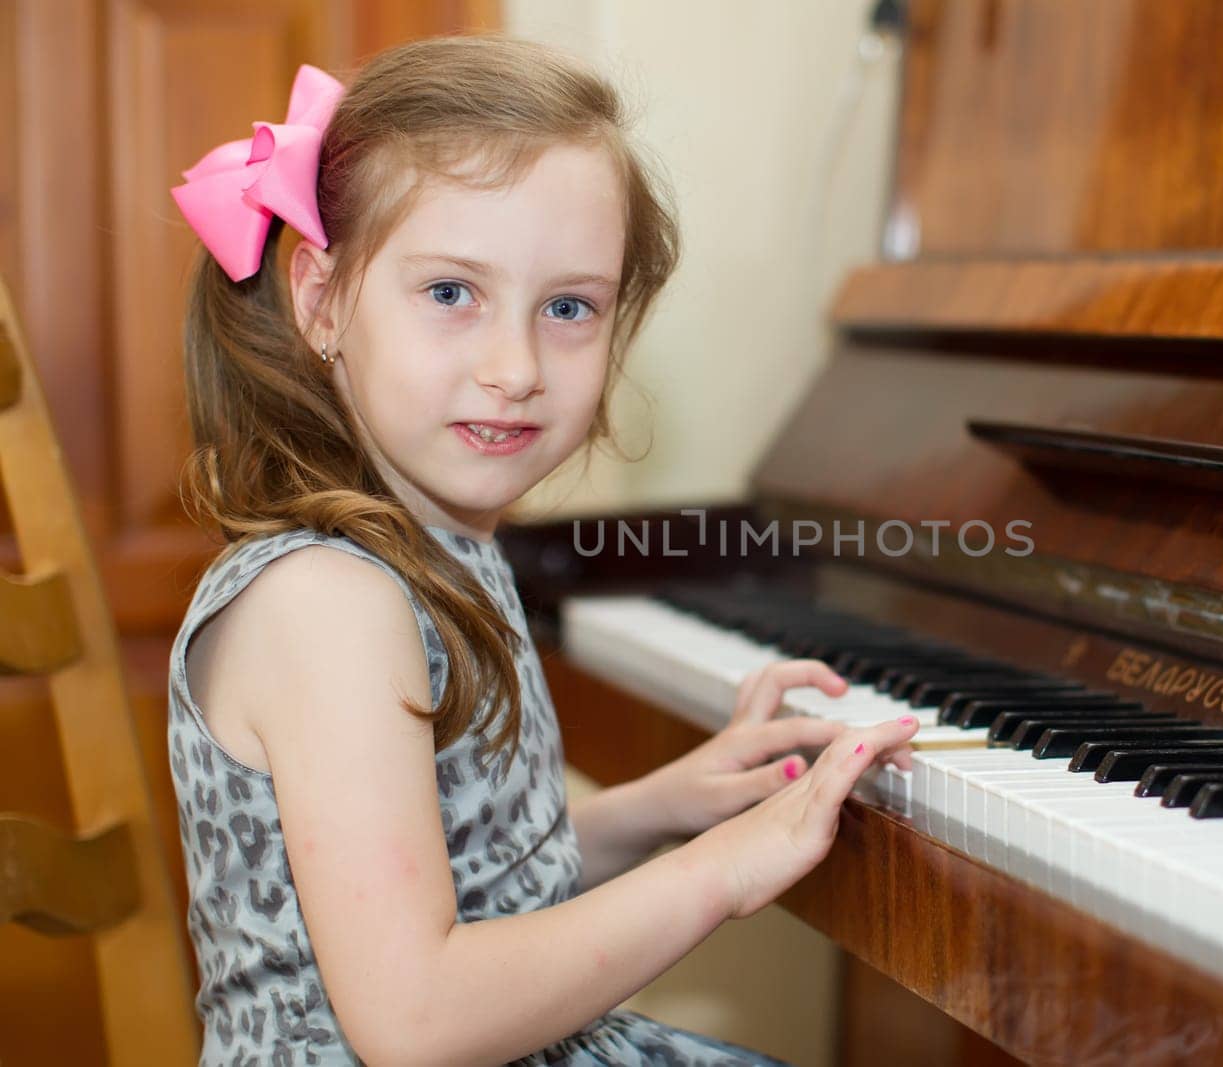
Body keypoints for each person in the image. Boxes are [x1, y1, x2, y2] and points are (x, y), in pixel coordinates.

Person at [165, 33, 919, 1066]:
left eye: (568, 307)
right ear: (321, 300)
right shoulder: (328, 600)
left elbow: (469, 884)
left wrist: (664, 808)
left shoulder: (428, 552)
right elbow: (416, 1019)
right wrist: (720, 872)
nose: (515, 366)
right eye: (450, 293)